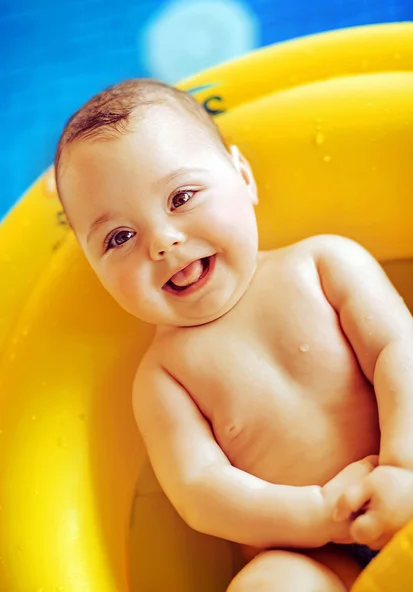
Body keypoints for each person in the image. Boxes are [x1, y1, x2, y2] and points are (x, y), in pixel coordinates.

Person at [54, 79, 413, 591]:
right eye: (119, 237)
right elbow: (202, 490)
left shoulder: (324, 265)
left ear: (243, 177)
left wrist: (403, 468)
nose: (162, 242)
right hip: (309, 552)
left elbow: (400, 352)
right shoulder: (164, 378)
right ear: (96, 269)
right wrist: (321, 514)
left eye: (181, 197)